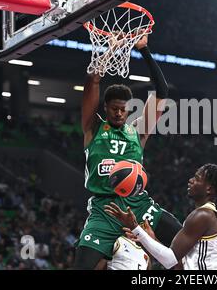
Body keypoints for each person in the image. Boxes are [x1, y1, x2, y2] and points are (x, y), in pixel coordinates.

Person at [73, 33, 182, 269]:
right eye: (114, 109)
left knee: (185, 241)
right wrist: (110, 50)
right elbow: (92, 79)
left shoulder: (138, 132)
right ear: (106, 107)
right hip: (105, 209)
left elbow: (162, 92)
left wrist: (144, 50)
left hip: (139, 205)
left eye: (124, 109)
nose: (119, 113)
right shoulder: (93, 128)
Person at [105, 164, 217, 270]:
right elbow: (176, 264)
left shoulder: (203, 216)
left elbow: (169, 260)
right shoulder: (206, 215)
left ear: (209, 189)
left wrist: (135, 227)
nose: (191, 180)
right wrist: (151, 238)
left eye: (197, 178)